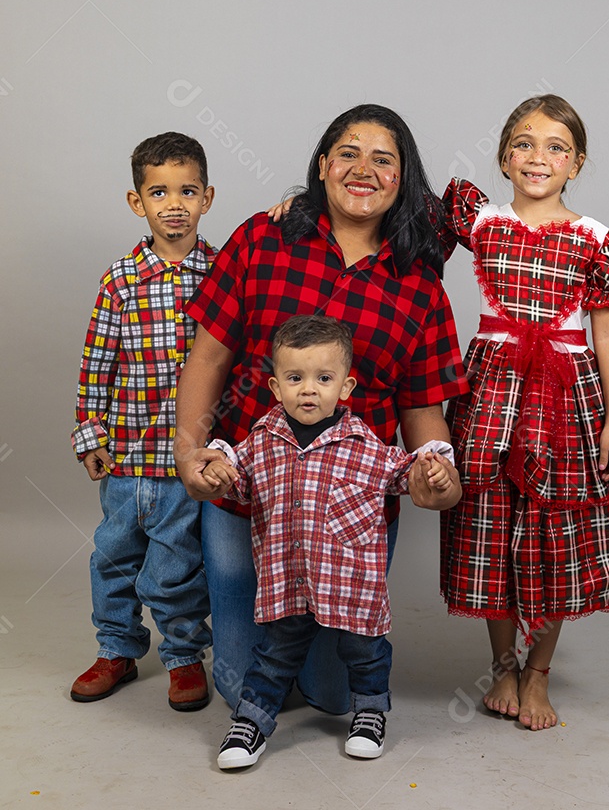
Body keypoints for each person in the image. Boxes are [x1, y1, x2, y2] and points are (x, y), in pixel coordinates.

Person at [173, 103, 468, 714]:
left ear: (403, 178)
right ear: (323, 165)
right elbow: (208, 359)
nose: (364, 169)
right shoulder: (263, 236)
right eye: (349, 153)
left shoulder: (420, 285)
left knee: (334, 695)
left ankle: (326, 666)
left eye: (383, 159)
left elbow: (420, 408)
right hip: (247, 489)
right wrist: (189, 450)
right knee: (239, 686)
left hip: (351, 511)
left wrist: (437, 470)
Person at [438, 95, 609, 731]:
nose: (539, 157)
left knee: (556, 532)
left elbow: (608, 336)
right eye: (525, 144)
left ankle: (538, 671)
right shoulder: (479, 221)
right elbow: (387, 216)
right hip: (491, 389)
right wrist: (299, 203)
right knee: (489, 521)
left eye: (557, 147)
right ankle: (503, 661)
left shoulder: (595, 242)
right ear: (505, 156)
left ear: (576, 162)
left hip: (565, 395)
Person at [201, 314, 459, 768]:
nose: (308, 390)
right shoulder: (261, 441)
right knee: (272, 654)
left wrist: (431, 470)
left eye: (323, 378)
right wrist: (217, 472)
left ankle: (371, 712)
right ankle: (251, 722)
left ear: (346, 387)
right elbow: (233, 476)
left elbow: (405, 472)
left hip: (351, 590)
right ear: (276, 387)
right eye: (295, 378)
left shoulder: (365, 445)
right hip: (287, 582)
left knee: (365, 652)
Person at [70, 132, 216, 710]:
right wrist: (90, 435)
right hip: (127, 458)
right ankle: (116, 649)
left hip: (185, 462)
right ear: (139, 203)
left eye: (188, 190)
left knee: (176, 564)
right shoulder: (121, 280)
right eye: (159, 192)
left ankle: (183, 657)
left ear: (207, 197)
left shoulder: (222, 272)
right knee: (113, 556)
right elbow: (95, 364)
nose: (174, 203)